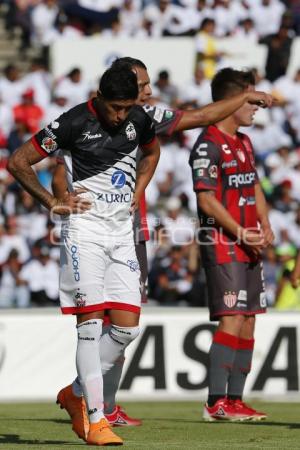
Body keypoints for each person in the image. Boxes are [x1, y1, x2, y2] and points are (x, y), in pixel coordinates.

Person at [52, 57, 275, 428]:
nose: (149, 92)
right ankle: (99, 406)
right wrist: (62, 201)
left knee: (124, 323)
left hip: (131, 230)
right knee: (101, 321)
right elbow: (61, 170)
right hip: (93, 231)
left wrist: (246, 95)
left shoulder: (146, 118)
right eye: (142, 86)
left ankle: (93, 399)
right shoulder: (84, 122)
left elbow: (199, 116)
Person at [7, 64, 161, 446]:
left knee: (127, 328)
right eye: (116, 108)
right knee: (90, 327)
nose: (121, 116)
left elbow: (152, 154)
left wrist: (138, 191)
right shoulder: (72, 123)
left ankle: (74, 394)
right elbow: (17, 161)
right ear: (99, 97)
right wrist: (52, 202)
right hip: (85, 233)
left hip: (121, 234)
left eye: (127, 108)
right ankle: (96, 419)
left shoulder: (139, 119)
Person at [188, 67, 275, 421]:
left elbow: (253, 186)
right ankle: (215, 402)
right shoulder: (208, 143)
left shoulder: (244, 142)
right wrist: (242, 232)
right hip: (223, 242)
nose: (255, 107)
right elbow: (206, 201)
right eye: (250, 100)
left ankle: (235, 400)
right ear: (231, 102)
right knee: (233, 318)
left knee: (250, 319)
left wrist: (265, 224)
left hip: (249, 241)